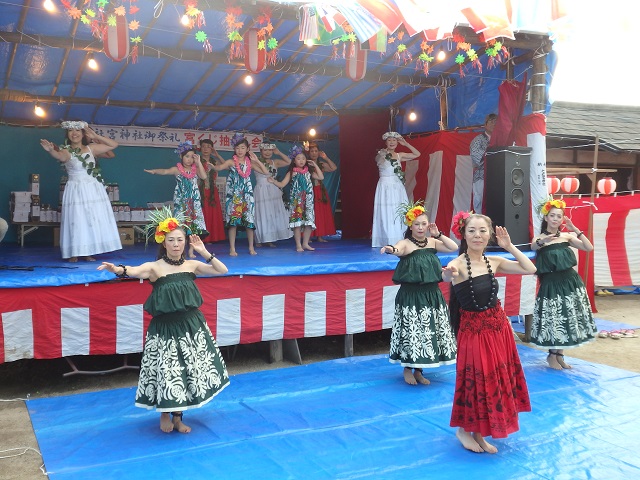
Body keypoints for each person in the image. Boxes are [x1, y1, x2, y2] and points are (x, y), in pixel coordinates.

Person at [97, 207, 230, 434]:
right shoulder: (154, 267)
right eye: (171, 240)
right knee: (168, 370)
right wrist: (116, 269)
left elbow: (222, 270)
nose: (176, 244)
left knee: (187, 371)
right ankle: (165, 415)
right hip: (166, 329)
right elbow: (133, 271)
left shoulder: (192, 265)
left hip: (191, 326)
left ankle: (179, 417)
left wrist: (203, 251)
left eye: (180, 240)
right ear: (164, 242)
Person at [442, 212, 535, 454]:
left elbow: (529, 268)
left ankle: (480, 433)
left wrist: (509, 246)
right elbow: (445, 274)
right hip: (474, 332)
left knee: (495, 380)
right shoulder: (458, 264)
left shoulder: (494, 261)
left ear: (490, 234)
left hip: (498, 328)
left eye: (483, 230)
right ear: (463, 233)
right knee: (478, 382)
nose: (478, 235)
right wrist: (447, 274)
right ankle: (465, 430)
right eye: (472, 230)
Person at [380, 202, 459, 385]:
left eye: (424, 224)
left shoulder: (432, 242)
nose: (421, 227)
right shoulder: (407, 244)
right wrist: (391, 249)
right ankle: (408, 368)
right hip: (411, 295)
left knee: (428, 331)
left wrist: (438, 234)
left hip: (431, 294)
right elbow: (398, 249)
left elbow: (453, 247)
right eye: (417, 224)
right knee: (412, 332)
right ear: (410, 226)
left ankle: (419, 370)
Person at [40, 121, 121, 262]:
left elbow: (113, 146)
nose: (74, 133)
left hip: (92, 189)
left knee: (90, 220)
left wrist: (96, 136)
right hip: (76, 189)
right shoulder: (66, 150)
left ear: (83, 133)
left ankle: (88, 252)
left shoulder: (91, 148)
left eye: (77, 130)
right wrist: (51, 150)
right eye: (71, 130)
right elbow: (60, 157)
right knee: (76, 220)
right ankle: (74, 252)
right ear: (67, 134)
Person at [530, 198, 597, 369]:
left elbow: (588, 248)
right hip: (552, 283)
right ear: (546, 218)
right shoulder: (539, 238)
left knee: (567, 318)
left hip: (570, 282)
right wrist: (544, 241)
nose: (555, 219)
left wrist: (575, 230)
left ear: (562, 219)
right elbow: (533, 247)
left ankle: (559, 355)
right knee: (555, 319)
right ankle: (552, 356)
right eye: (552, 215)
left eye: (559, 216)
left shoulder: (567, 236)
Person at [144, 141, 209, 259]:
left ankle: (191, 251)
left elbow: (204, 177)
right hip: (182, 202)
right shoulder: (177, 169)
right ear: (181, 157)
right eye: (187, 156)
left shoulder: (196, 170)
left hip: (194, 202)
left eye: (191, 157)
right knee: (181, 226)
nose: (189, 159)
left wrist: (199, 162)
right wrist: (154, 171)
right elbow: (165, 171)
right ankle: (182, 250)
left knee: (193, 227)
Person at [210, 133, 270, 256]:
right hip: (234, 196)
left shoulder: (250, 164)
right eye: (237, 148)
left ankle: (251, 247)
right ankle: (232, 248)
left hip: (247, 196)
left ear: (247, 149)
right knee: (233, 222)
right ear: (234, 149)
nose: (240, 150)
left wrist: (257, 160)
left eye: (242, 148)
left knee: (249, 221)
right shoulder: (231, 162)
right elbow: (220, 167)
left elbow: (266, 172)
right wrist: (213, 166)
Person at [268, 145, 324, 252]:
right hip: (297, 201)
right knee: (297, 223)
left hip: (308, 201)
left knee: (308, 222)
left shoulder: (309, 171)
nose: (301, 161)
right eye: (298, 158)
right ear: (294, 161)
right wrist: (273, 181)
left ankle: (305, 243)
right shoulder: (291, 172)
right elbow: (282, 184)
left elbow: (321, 177)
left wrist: (315, 166)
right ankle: (298, 244)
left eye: (303, 158)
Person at [372, 132, 420, 248]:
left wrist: (406, 144)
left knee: (398, 211)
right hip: (385, 186)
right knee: (387, 212)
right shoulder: (381, 154)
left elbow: (417, 154)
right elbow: (378, 160)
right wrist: (382, 154)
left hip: (397, 186)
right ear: (386, 142)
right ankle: (388, 238)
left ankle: (399, 237)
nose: (392, 142)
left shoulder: (400, 155)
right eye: (389, 140)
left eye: (394, 140)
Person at [253, 143, 293, 247]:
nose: (267, 152)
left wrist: (278, 152)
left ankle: (269, 239)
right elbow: (265, 173)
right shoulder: (255, 162)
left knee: (271, 214)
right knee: (261, 213)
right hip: (261, 190)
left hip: (273, 189)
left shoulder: (275, 162)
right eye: (265, 150)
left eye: (270, 150)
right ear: (261, 151)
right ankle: (258, 239)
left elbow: (289, 161)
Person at [307, 142, 338, 242]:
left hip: (319, 190)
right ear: (309, 153)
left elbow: (334, 168)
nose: (314, 153)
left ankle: (320, 235)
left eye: (316, 151)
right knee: (310, 212)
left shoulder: (321, 164)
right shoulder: (306, 164)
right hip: (309, 190)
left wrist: (326, 158)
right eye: (312, 151)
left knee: (320, 213)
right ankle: (309, 236)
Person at [198, 139, 226, 243]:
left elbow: (227, 166)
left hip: (213, 192)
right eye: (203, 146)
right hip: (201, 191)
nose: (205, 149)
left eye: (208, 147)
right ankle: (203, 238)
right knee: (204, 214)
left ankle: (213, 237)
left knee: (213, 214)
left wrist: (217, 154)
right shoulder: (197, 161)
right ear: (200, 148)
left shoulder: (215, 162)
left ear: (212, 149)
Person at [470, 113, 497, 214]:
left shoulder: (501, 140)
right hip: (481, 177)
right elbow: (477, 158)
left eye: (496, 122)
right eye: (491, 121)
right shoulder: (478, 140)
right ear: (485, 124)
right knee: (480, 203)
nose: (494, 124)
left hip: (496, 179)